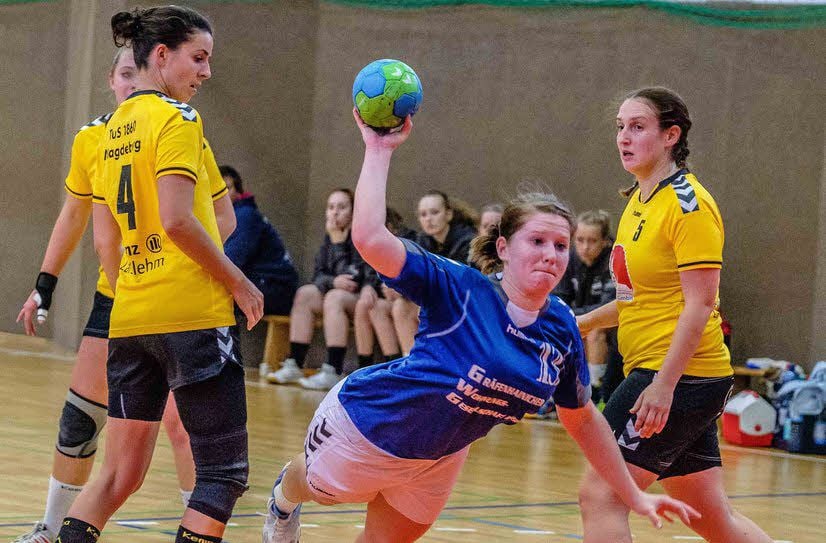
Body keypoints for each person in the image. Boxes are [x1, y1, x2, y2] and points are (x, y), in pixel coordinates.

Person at [260, 109, 699, 543]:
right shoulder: (460, 287)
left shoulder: (561, 325)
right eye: (538, 241)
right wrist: (378, 148)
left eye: (561, 245)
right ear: (504, 248)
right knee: (314, 490)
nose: (551, 253)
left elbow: (582, 418)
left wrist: (632, 496)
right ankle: (282, 498)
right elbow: (371, 239)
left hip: (441, 455)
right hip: (371, 426)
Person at [55, 7, 263, 543]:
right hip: (191, 313)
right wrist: (237, 281)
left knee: (118, 475)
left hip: (128, 316)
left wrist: (137, 293)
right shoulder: (179, 119)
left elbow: (106, 242)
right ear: (162, 56)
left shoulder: (109, 130)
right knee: (221, 475)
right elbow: (177, 219)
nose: (206, 73)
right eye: (199, 58)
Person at [11, 46, 221, 543]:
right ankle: (50, 526)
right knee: (82, 419)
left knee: (182, 427)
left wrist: (200, 274)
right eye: (123, 74)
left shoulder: (178, 127)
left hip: (175, 300)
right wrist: (45, 284)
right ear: (110, 80)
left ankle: (195, 529)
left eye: (137, 72)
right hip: (118, 299)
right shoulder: (93, 139)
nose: (130, 82)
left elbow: (219, 218)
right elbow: (75, 217)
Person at [576, 87, 772, 543]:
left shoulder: (689, 205)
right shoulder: (639, 201)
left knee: (602, 495)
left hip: (678, 376)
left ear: (671, 135)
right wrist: (581, 322)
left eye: (638, 127)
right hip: (673, 374)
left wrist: (663, 386)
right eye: (620, 127)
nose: (624, 137)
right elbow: (634, 299)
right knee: (707, 516)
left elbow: (701, 305)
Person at [266, 188, 367, 390]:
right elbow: (318, 274)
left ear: (354, 212)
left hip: (363, 298)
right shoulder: (331, 237)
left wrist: (338, 246)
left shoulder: (361, 235)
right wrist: (332, 281)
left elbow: (354, 278)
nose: (335, 212)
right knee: (305, 294)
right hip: (336, 294)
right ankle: (294, 363)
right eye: (331, 207)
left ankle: (333, 369)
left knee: (334, 298)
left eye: (342, 207)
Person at [391, 190, 478, 354]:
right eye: (423, 215)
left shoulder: (467, 240)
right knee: (401, 305)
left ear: (449, 214)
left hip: (467, 304)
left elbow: (461, 284)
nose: (429, 219)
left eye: (434, 212)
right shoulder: (421, 242)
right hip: (437, 299)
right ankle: (410, 363)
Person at [553, 209, 623, 403]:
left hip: (612, 325)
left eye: (592, 241)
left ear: (605, 241)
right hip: (582, 319)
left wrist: (574, 317)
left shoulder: (614, 260)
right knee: (555, 325)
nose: (585, 247)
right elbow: (559, 300)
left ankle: (595, 392)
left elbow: (608, 306)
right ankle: (552, 391)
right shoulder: (569, 259)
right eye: (580, 240)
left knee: (594, 332)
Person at [221, 165, 298, 317]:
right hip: (265, 283)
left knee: (217, 297)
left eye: (227, 188)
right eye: (218, 191)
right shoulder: (231, 216)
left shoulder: (245, 215)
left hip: (277, 288)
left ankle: (225, 341)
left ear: (238, 191)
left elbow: (231, 260)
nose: (222, 195)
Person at [352, 207, 413, 370]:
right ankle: (381, 369)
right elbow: (370, 271)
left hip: (415, 300)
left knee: (400, 307)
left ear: (390, 227)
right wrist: (368, 286)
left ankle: (409, 368)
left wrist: (401, 288)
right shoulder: (372, 243)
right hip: (391, 299)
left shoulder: (409, 242)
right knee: (373, 306)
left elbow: (418, 276)